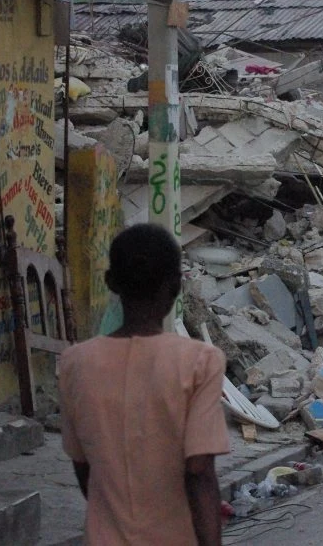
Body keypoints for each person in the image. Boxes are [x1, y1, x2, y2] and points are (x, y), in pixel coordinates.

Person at [59, 224, 230, 546]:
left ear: (111, 282)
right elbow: (199, 471)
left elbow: (83, 468)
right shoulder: (201, 362)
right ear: (176, 286)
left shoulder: (74, 363)